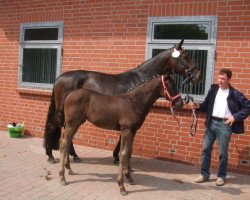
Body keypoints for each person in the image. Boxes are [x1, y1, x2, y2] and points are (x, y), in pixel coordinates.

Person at [191, 68, 250, 186]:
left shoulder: (234, 93)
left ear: (228, 79)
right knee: (206, 149)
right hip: (211, 123)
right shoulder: (213, 89)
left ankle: (221, 176)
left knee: (222, 153)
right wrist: (198, 106)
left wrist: (235, 117)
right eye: (219, 78)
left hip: (225, 125)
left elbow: (248, 106)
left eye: (223, 78)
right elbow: (206, 105)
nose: (220, 80)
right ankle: (204, 174)